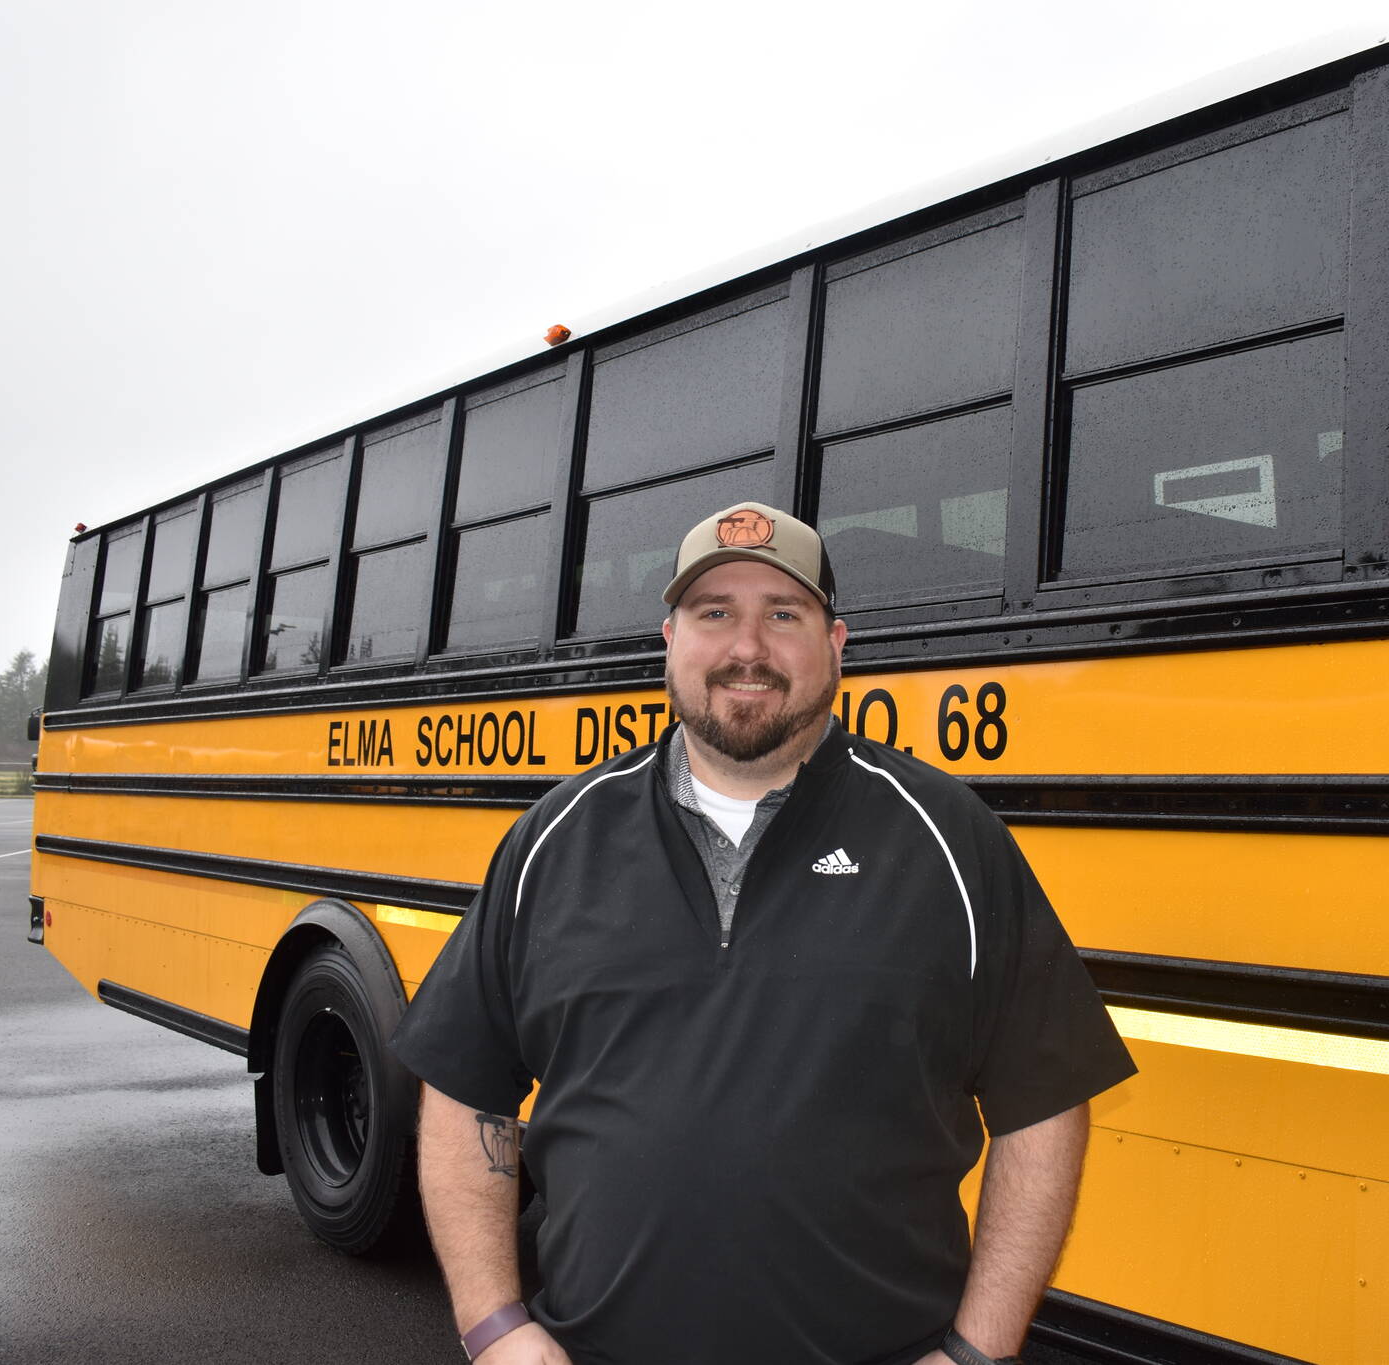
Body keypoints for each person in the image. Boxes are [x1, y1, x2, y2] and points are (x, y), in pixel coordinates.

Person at [392, 500, 1136, 1365]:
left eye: (784, 614)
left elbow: (1045, 1103)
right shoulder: (558, 839)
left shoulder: (948, 839)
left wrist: (977, 1352)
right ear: (669, 638)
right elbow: (462, 1083)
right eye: (716, 614)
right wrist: (493, 1326)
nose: (748, 647)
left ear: (837, 644)